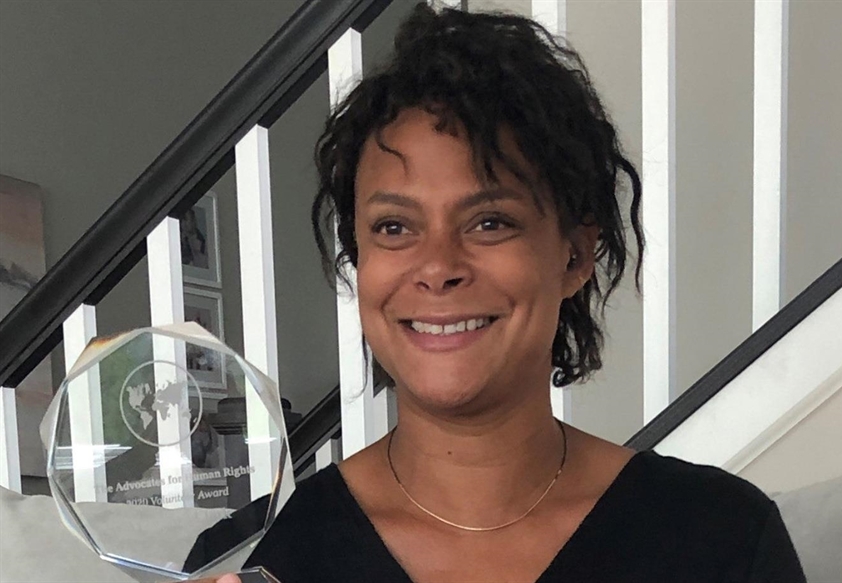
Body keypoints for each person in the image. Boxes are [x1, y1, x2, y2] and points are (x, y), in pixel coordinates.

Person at [195, 3, 805, 582]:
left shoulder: (722, 537)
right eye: (394, 227)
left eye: (490, 222)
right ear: (361, 263)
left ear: (575, 254)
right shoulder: (259, 557)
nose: (437, 267)